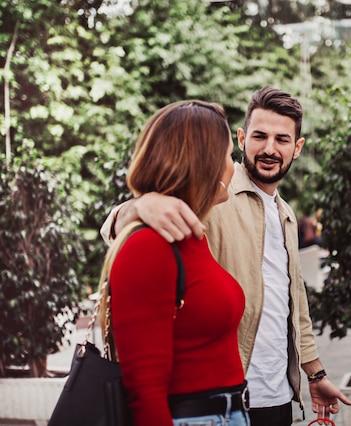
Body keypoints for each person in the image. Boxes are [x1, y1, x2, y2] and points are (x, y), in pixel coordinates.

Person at [101, 86, 351, 426]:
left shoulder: (286, 215)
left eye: (282, 140)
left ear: (297, 148)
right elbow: (120, 229)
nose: (269, 148)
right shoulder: (214, 196)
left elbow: (294, 303)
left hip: (277, 394)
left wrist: (314, 373)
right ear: (241, 138)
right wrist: (141, 205)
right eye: (259, 136)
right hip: (219, 399)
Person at [100, 100, 250, 426]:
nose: (234, 166)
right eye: (228, 156)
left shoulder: (190, 235)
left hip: (224, 413)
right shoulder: (150, 245)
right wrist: (138, 206)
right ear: (205, 164)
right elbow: (145, 391)